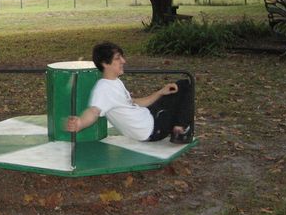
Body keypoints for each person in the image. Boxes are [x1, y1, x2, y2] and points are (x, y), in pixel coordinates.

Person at [66, 41, 194, 143]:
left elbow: (133, 102)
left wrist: (160, 92)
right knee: (186, 85)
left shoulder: (115, 81)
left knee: (178, 88)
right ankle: (179, 130)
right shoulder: (103, 88)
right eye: (118, 58)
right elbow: (93, 111)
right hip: (152, 128)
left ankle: (178, 126)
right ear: (105, 63)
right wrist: (80, 123)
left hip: (148, 116)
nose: (123, 61)